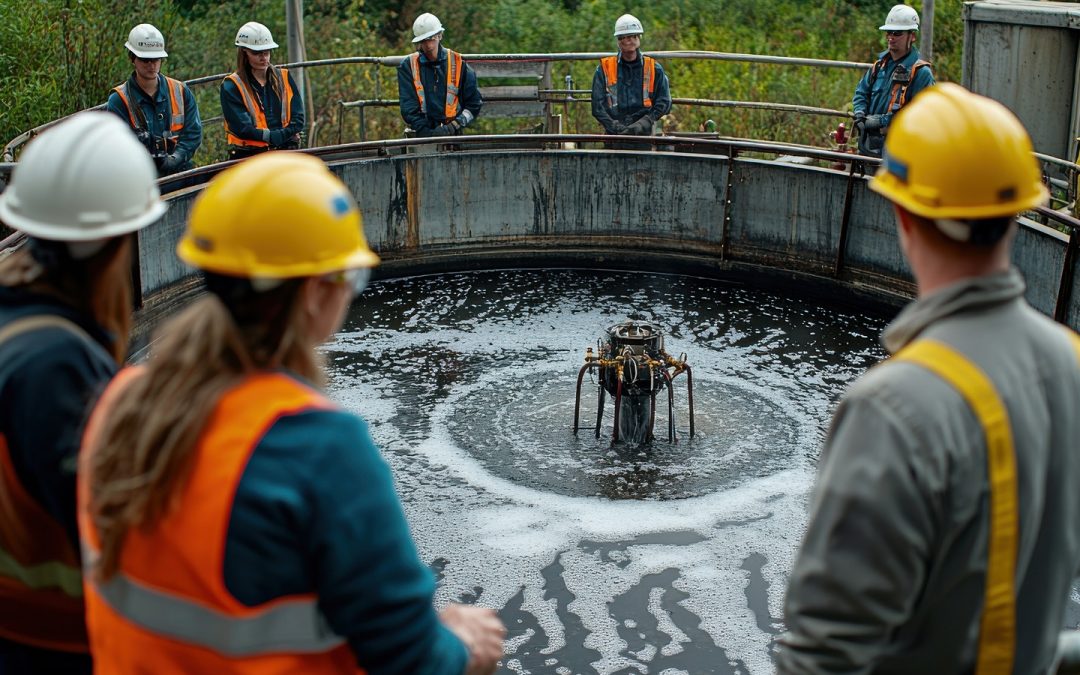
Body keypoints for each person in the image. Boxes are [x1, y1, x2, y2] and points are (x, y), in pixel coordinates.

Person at [77, 152, 506, 674]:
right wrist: (463, 644)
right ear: (313, 292)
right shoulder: (317, 449)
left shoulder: (119, 403)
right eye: (349, 278)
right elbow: (413, 661)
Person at [778, 83, 1080, 674]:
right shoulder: (1069, 361)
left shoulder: (895, 405)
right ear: (1015, 216)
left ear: (902, 214)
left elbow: (824, 653)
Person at [0, 112, 165, 674]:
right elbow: (126, 538)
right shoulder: (58, 367)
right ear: (116, 244)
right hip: (46, 647)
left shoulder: (16, 325)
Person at [106, 23, 203, 176]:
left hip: (181, 170)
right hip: (141, 177)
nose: (151, 65)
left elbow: (193, 133)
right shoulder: (119, 100)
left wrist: (175, 159)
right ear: (132, 58)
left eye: (156, 59)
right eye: (145, 60)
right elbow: (118, 147)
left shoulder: (180, 91)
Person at [852, 4, 935, 157]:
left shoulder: (921, 74)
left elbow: (921, 116)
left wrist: (883, 121)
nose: (891, 37)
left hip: (901, 151)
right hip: (869, 145)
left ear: (912, 36)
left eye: (897, 33)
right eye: (888, 32)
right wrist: (859, 113)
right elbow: (861, 92)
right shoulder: (879, 66)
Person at [220, 21, 305, 161]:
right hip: (249, 155)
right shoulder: (232, 85)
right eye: (257, 53)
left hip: (286, 150)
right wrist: (273, 137)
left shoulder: (284, 77)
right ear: (244, 53)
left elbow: (298, 118)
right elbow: (241, 127)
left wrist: (281, 136)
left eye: (267, 52)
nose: (264, 58)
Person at [397, 12, 483, 138]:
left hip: (453, 133)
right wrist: (424, 131)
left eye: (431, 38)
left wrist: (453, 126)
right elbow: (408, 107)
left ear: (440, 36)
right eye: (424, 40)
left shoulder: (458, 64)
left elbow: (474, 104)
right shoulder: (408, 66)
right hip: (421, 133)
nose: (428, 44)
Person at [591, 13, 672, 138]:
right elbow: (597, 106)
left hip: (645, 134)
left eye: (633, 36)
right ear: (618, 40)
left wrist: (644, 122)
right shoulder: (604, 69)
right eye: (624, 37)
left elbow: (664, 102)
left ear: (639, 38)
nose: (629, 40)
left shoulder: (654, 68)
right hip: (613, 135)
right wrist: (613, 126)